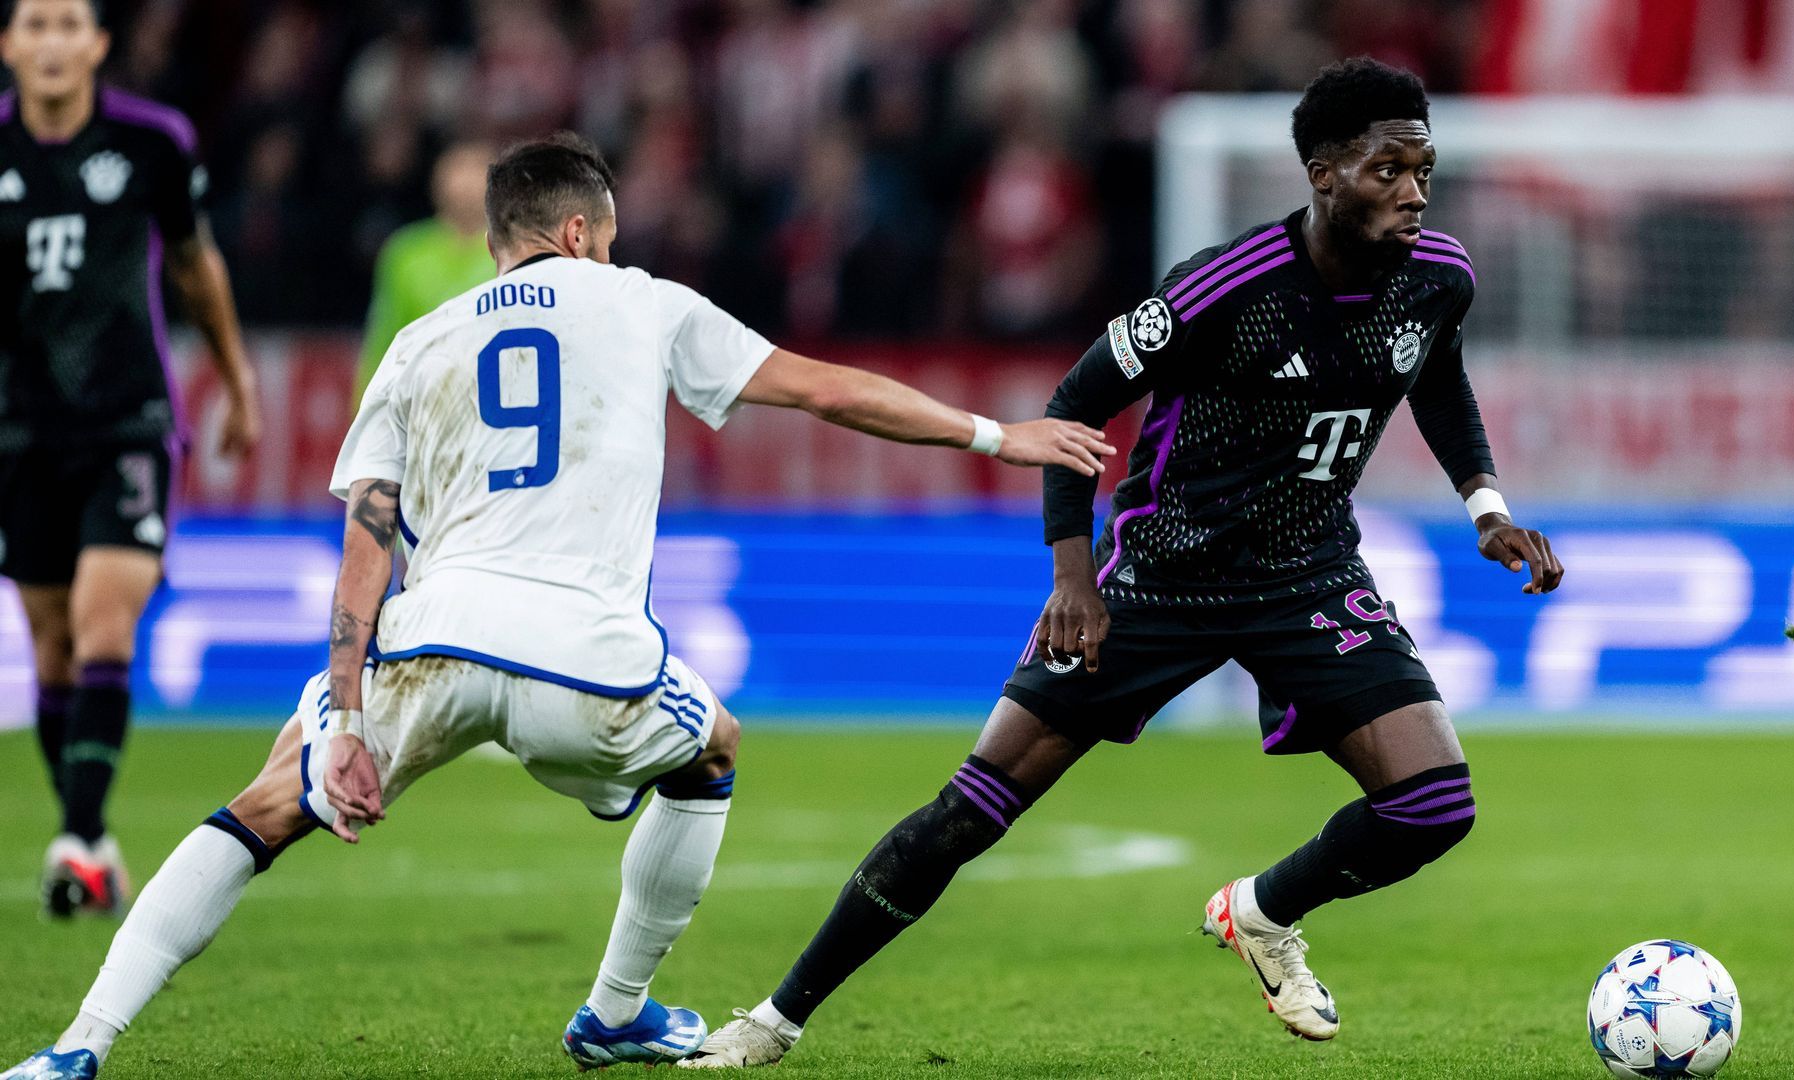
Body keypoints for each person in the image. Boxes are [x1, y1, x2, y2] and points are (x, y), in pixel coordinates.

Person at [0, 131, 1113, 1080]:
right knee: (712, 750)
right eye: (610, 238)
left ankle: (78, 1045)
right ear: (581, 233)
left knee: (261, 807)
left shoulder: (420, 343)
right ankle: (616, 1011)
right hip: (584, 657)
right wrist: (995, 435)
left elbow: (368, 539)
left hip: (430, 641)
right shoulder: (642, 303)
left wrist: (344, 717)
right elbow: (825, 389)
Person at [682, 58, 1566, 1068]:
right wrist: (1073, 578)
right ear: (1324, 175)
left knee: (1433, 804)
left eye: (1424, 171)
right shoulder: (1223, 287)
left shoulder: (1439, 275)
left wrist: (1487, 507)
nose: (1413, 193)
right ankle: (773, 1021)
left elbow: (1434, 368)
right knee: (969, 813)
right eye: (1388, 171)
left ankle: (1263, 913)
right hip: (1158, 578)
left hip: (1308, 574)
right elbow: (1073, 405)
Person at [0, 0, 259, 918]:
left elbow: (194, 264)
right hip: (20, 429)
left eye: (69, 23)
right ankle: (93, 836)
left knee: (102, 622)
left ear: (98, 44)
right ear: (9, 45)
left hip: (129, 420)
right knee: (52, 648)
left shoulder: (153, 142)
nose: (53, 41)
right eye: (36, 24)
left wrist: (237, 380)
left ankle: (74, 843)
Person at [355, 139, 496, 402]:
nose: (466, 182)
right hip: (418, 398)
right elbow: (382, 335)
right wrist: (365, 405)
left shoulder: (512, 249)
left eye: (477, 169)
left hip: (489, 398)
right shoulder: (405, 251)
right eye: (457, 169)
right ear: (437, 180)